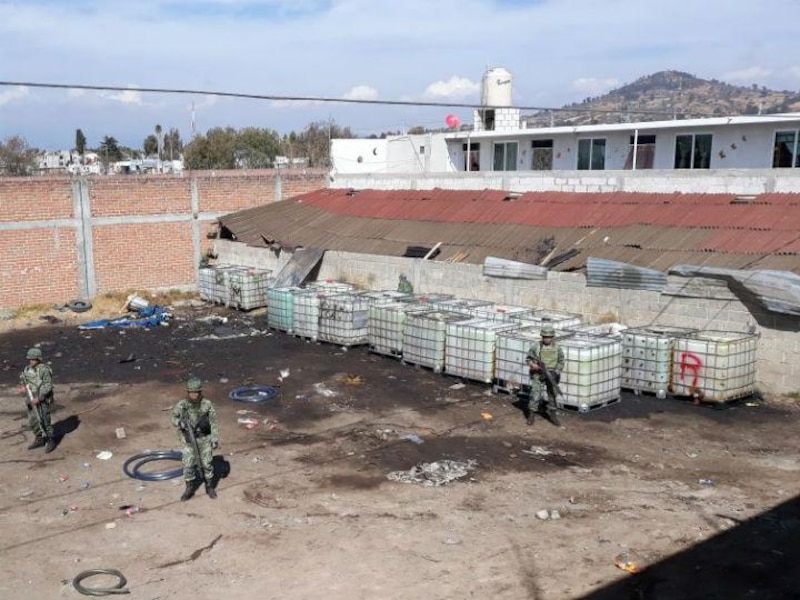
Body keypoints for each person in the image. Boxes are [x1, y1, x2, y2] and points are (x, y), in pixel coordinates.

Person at [170, 377, 219, 501]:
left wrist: (214, 438)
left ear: (200, 392)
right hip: (189, 440)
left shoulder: (207, 404)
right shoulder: (183, 405)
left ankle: (210, 487)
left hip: (204, 438)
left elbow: (213, 422)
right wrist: (179, 423)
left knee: (207, 463)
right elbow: (173, 417)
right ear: (187, 392)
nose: (193, 395)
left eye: (196, 392)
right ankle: (189, 488)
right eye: (191, 392)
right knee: (188, 464)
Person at [525, 325, 565, 426]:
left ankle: (553, 415)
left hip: (552, 374)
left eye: (549, 337)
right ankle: (531, 415)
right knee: (535, 394)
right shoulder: (536, 346)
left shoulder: (557, 348)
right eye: (545, 337)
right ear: (542, 337)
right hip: (538, 374)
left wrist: (556, 372)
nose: (547, 339)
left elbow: (561, 361)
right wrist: (534, 365)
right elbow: (528, 359)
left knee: (552, 395)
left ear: (552, 337)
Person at [19, 347, 56, 453]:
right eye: (30, 359)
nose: (31, 361)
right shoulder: (27, 369)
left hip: (41, 399)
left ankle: (50, 440)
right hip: (30, 398)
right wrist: (23, 388)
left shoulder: (44, 370)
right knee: (33, 421)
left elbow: (48, 385)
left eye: (33, 359)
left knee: (44, 420)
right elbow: (24, 380)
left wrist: (39, 398)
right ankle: (39, 438)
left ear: (38, 359)